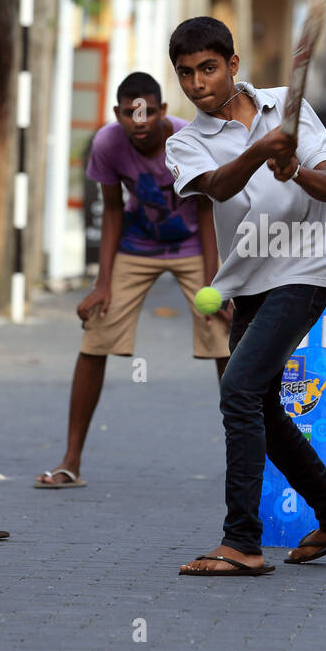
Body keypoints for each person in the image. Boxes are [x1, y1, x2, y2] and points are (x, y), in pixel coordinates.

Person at [164, 17, 326, 575]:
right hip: (248, 281)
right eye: (185, 74)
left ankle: (242, 542)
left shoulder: (289, 107)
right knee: (257, 400)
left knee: (237, 387)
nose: (197, 83)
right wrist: (262, 153)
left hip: (306, 268)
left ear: (233, 65)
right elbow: (219, 186)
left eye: (208, 68)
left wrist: (296, 167)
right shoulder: (184, 142)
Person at [35, 72, 231, 488]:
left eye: (148, 112)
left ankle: (250, 464)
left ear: (162, 111)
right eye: (129, 114)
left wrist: (215, 279)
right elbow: (111, 211)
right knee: (96, 335)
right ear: (117, 114)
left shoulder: (188, 139)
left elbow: (205, 208)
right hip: (136, 246)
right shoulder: (107, 144)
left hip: (194, 247)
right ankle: (70, 461)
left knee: (225, 338)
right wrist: (102, 282)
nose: (139, 122)